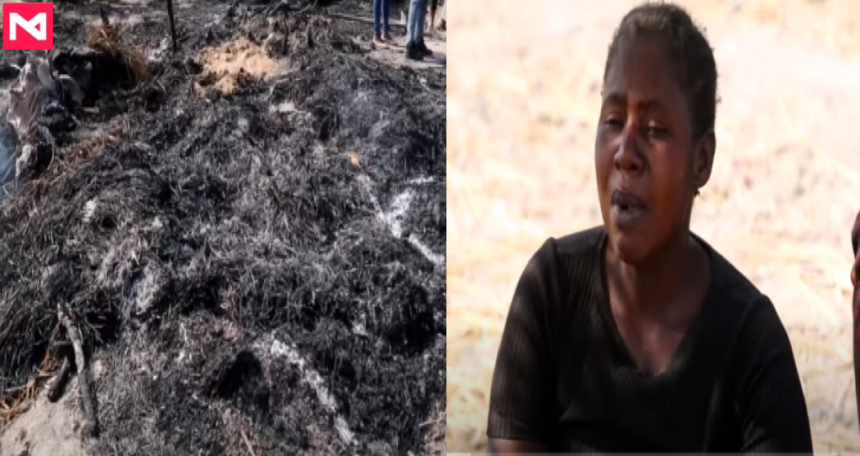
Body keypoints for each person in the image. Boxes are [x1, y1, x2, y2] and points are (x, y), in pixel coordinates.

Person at [486, 2, 813, 453]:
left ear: (702, 160)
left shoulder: (751, 348)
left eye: (656, 129)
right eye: (614, 121)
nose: (626, 152)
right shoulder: (551, 292)